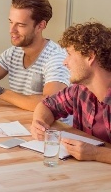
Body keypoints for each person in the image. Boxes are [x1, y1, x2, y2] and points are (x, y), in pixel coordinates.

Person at [0, 0, 70, 111]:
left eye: (20, 25)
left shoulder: (57, 58)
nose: (11, 30)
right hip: (22, 121)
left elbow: (51, 104)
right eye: (11, 22)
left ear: (40, 26)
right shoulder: (13, 53)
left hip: (52, 128)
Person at [30, 22, 111, 164]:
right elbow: (48, 105)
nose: (65, 62)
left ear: (90, 56)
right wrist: (40, 124)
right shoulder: (79, 90)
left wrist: (97, 153)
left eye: (69, 54)